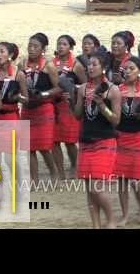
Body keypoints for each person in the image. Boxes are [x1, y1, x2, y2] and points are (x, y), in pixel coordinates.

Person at [73, 51, 121, 229]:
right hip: (86, 141)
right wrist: (74, 98)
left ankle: (111, 220)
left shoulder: (112, 90)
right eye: (89, 64)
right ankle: (95, 224)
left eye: (94, 64)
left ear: (104, 68)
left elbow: (116, 120)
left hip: (104, 141)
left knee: (97, 188)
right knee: (88, 189)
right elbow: (78, 115)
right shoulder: (83, 88)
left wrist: (101, 105)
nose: (90, 67)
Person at [113, 56, 140, 226]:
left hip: (138, 137)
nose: (128, 71)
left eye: (132, 68)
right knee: (122, 179)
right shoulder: (117, 90)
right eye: (126, 68)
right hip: (120, 137)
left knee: (138, 178)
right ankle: (124, 214)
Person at [18, 33, 63, 184]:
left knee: (44, 147)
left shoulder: (49, 66)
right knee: (29, 147)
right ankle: (34, 179)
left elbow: (59, 88)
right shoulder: (22, 63)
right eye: (29, 45)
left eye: (35, 46)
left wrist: (45, 94)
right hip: (27, 108)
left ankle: (54, 172)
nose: (31, 49)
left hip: (44, 108)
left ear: (43, 49)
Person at [0, 42, 25, 200]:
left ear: (10, 55)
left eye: (1, 52)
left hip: (11, 118)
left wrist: (17, 97)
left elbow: (27, 98)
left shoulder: (18, 74)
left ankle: (17, 189)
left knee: (10, 158)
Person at [53, 35, 81, 177]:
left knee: (69, 141)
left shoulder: (76, 64)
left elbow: (85, 84)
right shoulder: (51, 62)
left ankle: (75, 165)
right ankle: (60, 170)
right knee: (54, 141)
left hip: (69, 105)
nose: (60, 47)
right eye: (59, 44)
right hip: (54, 105)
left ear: (70, 47)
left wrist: (72, 91)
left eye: (64, 44)